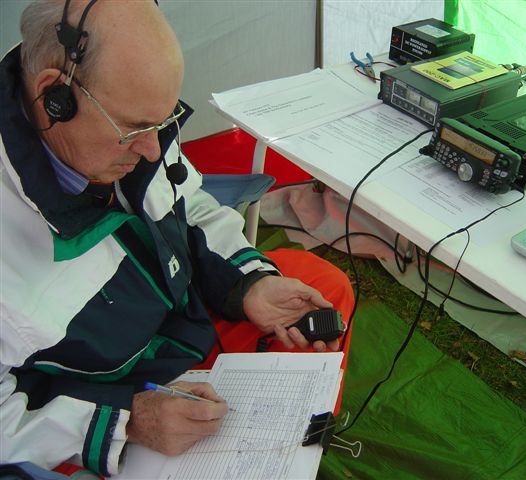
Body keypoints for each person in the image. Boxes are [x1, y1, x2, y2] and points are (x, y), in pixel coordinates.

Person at [0, 0, 354, 476]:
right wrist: (122, 423)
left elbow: (189, 202)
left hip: (181, 330)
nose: (152, 149)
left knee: (322, 288)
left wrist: (248, 284)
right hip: (97, 405)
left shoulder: (128, 119)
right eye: (134, 129)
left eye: (161, 124)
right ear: (53, 99)